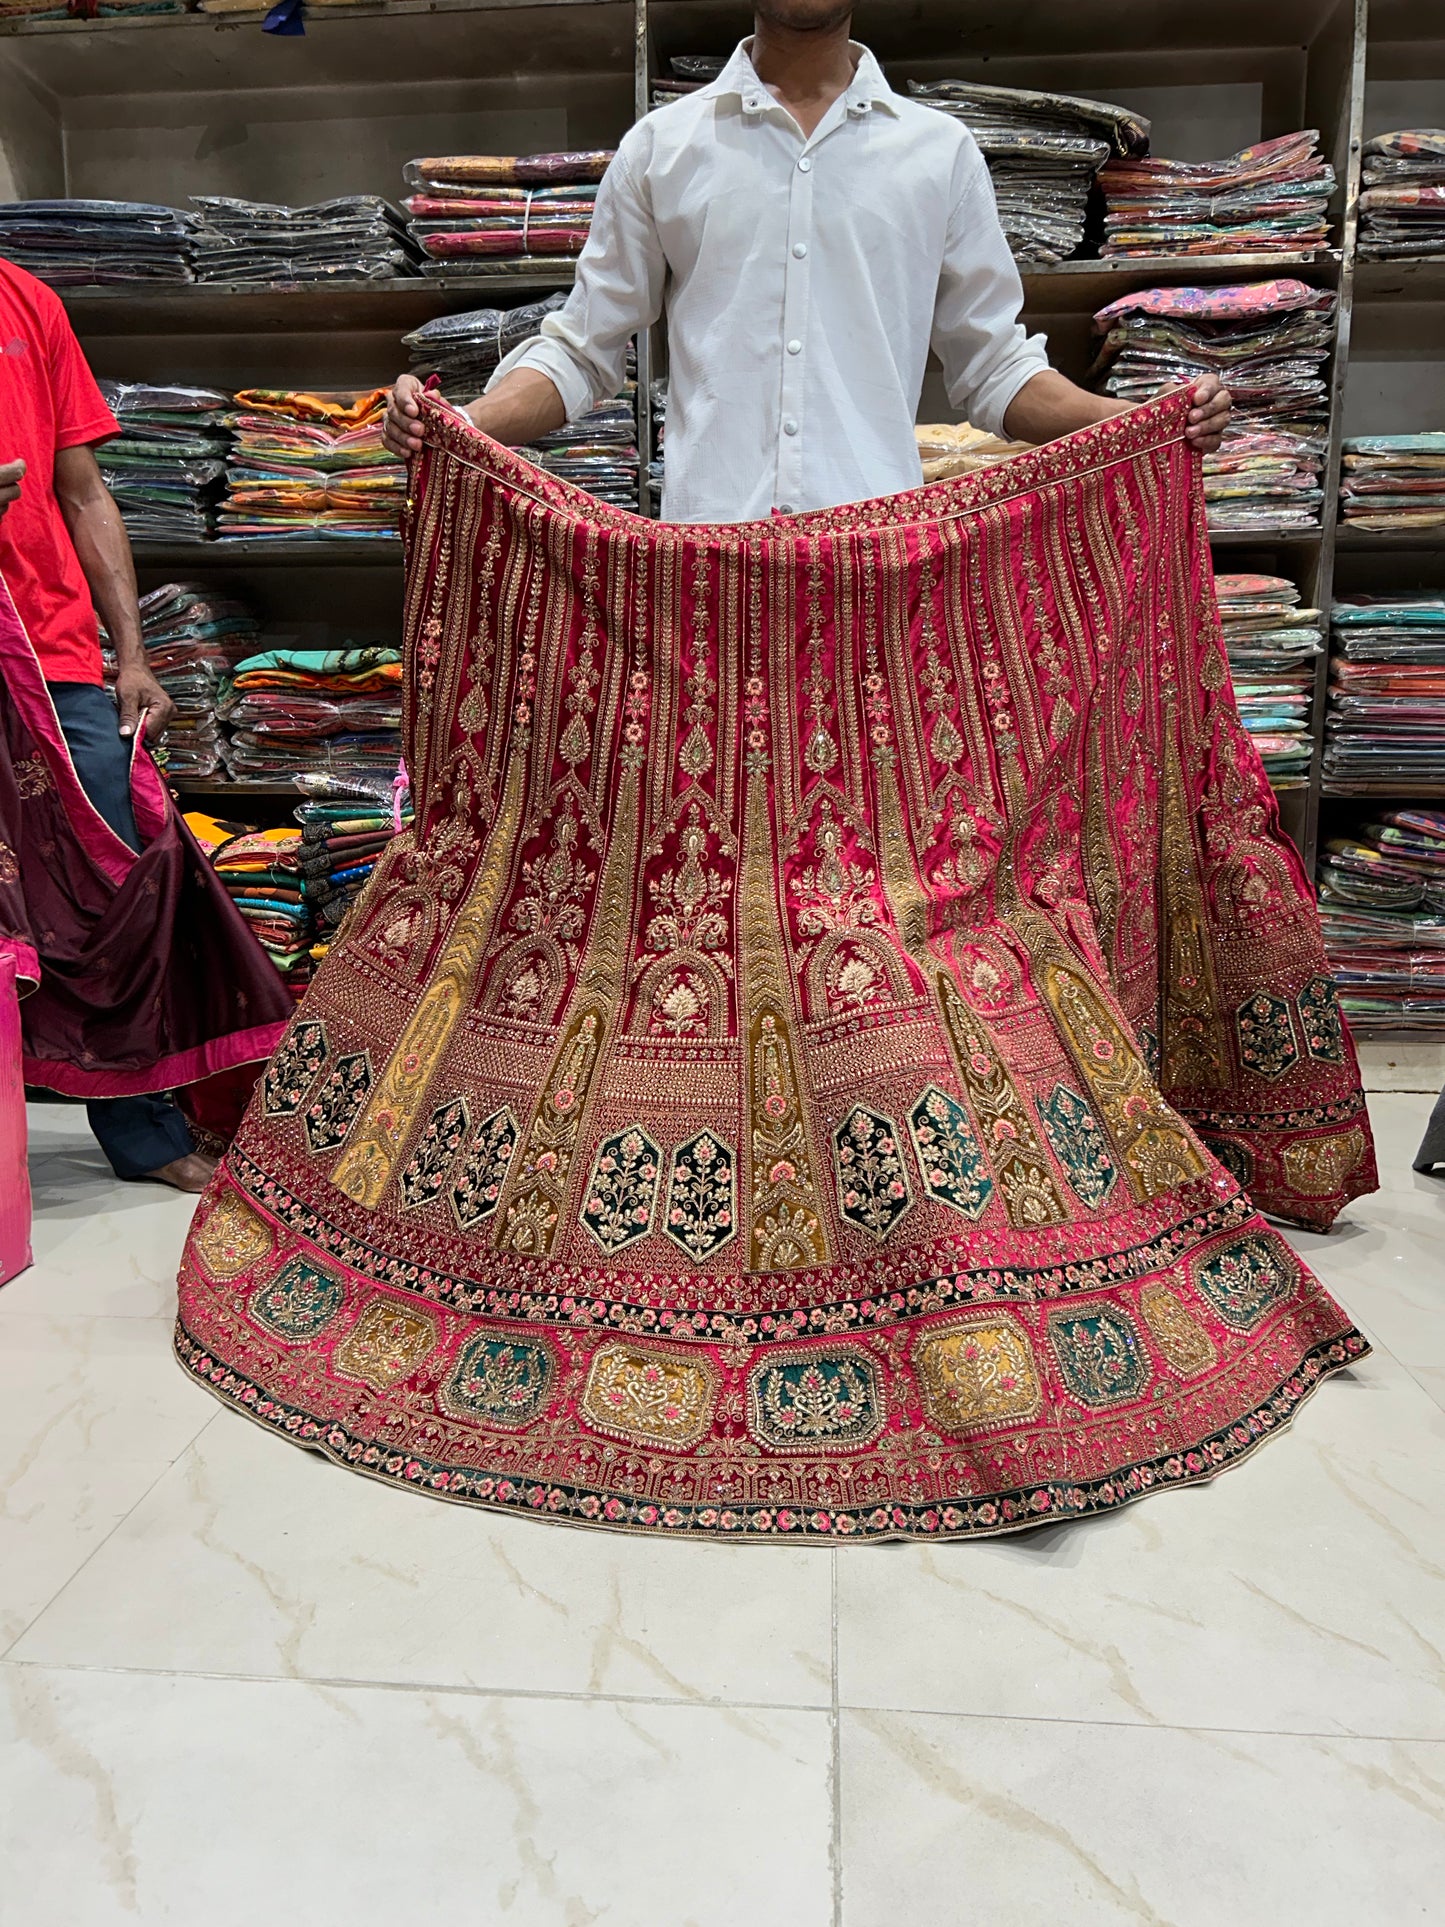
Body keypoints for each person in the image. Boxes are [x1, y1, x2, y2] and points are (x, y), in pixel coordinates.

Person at [385, 1, 1231, 506]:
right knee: (710, 810)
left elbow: (993, 371)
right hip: (706, 570)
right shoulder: (661, 149)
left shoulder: (937, 155)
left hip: (878, 570)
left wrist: (1142, 427)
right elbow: (583, 349)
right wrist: (461, 425)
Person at [0, 257, 217, 1192]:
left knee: (110, 873)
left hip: (53, 648)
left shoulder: (26, 301)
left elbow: (83, 490)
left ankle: (143, 1131)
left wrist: (130, 654)